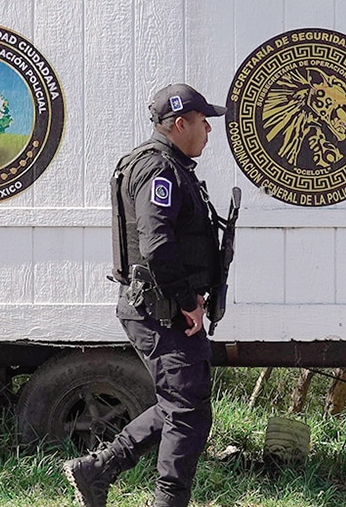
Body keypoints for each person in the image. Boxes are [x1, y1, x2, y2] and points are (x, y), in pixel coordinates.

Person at [62, 84, 227, 507]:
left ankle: (97, 470)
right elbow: (156, 244)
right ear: (179, 124)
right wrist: (188, 299)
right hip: (160, 308)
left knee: (183, 401)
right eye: (203, 121)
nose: (209, 129)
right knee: (188, 410)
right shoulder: (159, 170)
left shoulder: (169, 165)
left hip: (160, 305)